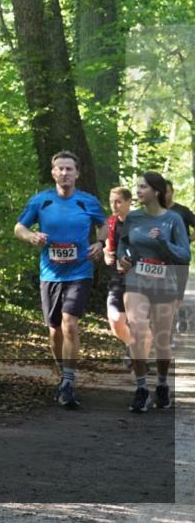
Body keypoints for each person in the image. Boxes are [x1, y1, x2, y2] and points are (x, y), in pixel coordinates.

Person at [14, 150, 107, 409]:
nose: (64, 173)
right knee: (54, 330)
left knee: (69, 324)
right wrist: (31, 237)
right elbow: (19, 227)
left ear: (77, 173)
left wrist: (100, 243)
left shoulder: (87, 201)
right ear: (53, 173)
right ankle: (62, 371)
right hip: (50, 273)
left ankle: (67, 381)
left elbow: (103, 225)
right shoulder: (40, 201)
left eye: (69, 169)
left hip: (80, 271)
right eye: (60, 169)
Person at [117, 172, 191, 411]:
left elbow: (184, 255)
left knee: (161, 340)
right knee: (137, 331)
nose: (138, 191)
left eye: (143, 187)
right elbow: (123, 245)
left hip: (165, 284)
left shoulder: (173, 219)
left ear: (156, 192)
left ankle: (161, 384)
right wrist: (123, 260)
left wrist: (163, 243)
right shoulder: (133, 218)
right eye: (137, 186)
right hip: (137, 280)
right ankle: (140, 389)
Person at [103, 187, 133, 354]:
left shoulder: (141, 222)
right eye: (111, 201)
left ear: (129, 202)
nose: (114, 205)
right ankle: (131, 344)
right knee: (115, 321)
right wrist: (106, 254)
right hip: (118, 277)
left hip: (140, 278)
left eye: (118, 201)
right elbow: (106, 247)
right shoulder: (110, 223)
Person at [165, 180, 195, 334]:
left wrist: (189, 239)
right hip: (161, 261)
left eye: (167, 191)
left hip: (181, 259)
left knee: (177, 295)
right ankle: (168, 333)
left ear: (172, 192)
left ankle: (180, 313)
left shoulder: (182, 211)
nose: (165, 194)